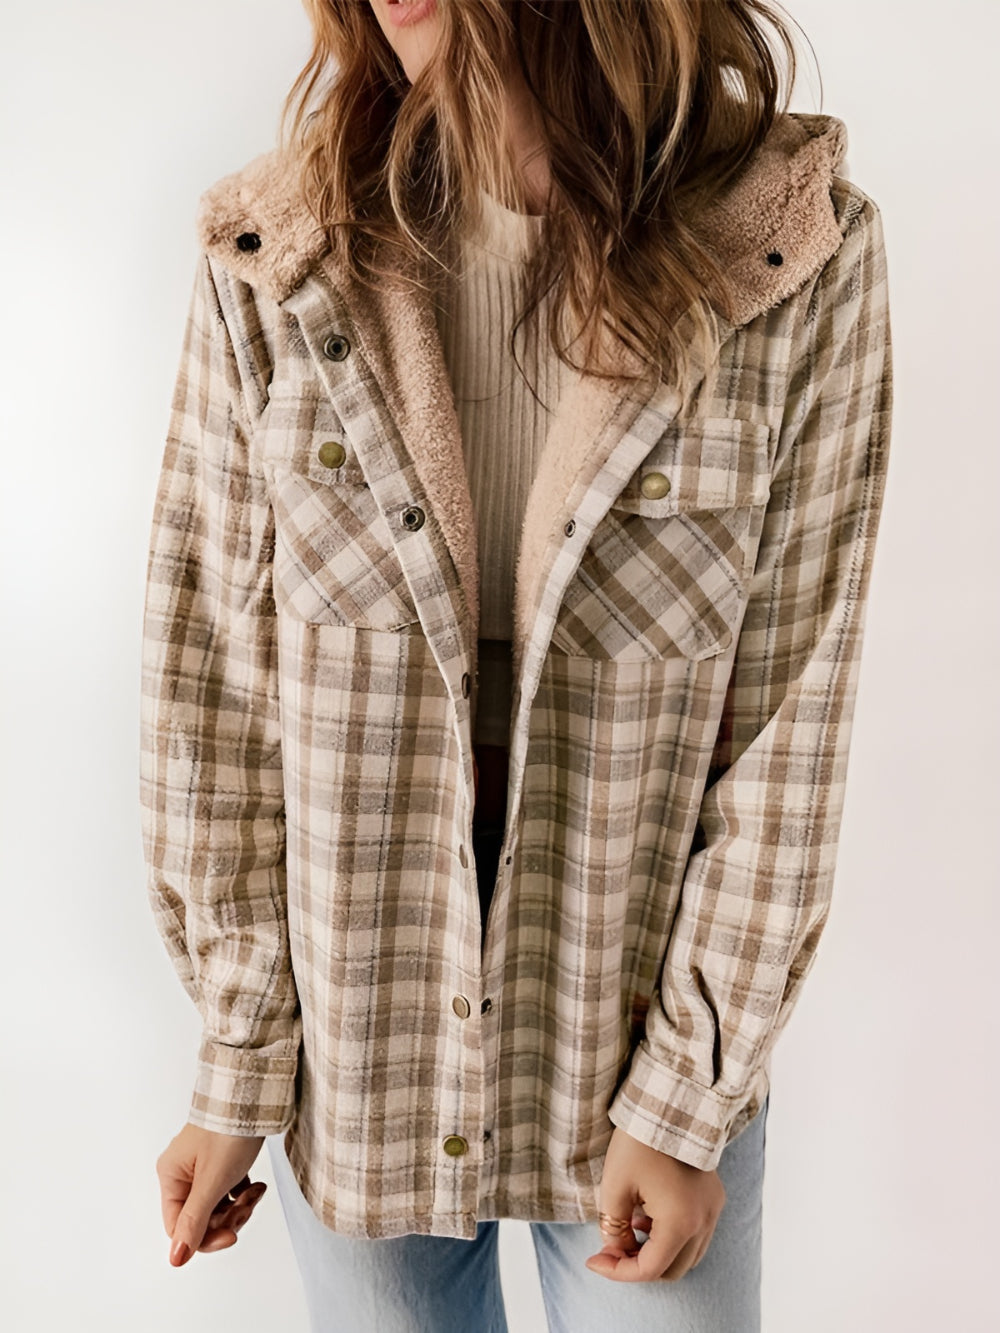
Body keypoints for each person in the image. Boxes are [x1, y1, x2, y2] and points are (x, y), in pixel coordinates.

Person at [140, 0, 893, 1328]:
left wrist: (690, 1093)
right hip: (358, 1019)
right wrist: (240, 1058)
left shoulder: (788, 250)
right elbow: (213, 688)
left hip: (634, 1002)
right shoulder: (278, 255)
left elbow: (793, 715)